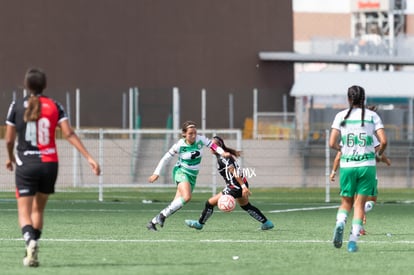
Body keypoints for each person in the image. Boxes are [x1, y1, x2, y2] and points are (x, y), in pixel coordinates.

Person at [5, 68, 101, 267]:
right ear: (44, 85)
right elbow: (69, 134)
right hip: (49, 165)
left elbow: (8, 139)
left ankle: (29, 240)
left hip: (26, 164)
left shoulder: (16, 105)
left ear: (26, 85)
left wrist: (10, 157)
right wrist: (89, 157)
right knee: (38, 210)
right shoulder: (55, 105)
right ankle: (34, 247)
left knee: (24, 212)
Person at [329, 85, 387, 253]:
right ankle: (353, 241)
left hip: (347, 165)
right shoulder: (372, 116)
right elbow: (383, 141)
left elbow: (332, 143)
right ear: (364, 99)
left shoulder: (340, 116)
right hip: (367, 166)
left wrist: (343, 150)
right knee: (359, 205)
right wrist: (379, 154)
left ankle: (340, 223)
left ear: (348, 99)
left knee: (346, 203)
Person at [146, 121, 230, 231]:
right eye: (190, 133)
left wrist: (222, 152)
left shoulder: (201, 139)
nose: (194, 135)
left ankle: (152, 222)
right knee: (187, 197)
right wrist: (156, 173)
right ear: (184, 134)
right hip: (181, 172)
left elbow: (213, 146)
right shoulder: (180, 144)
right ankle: (161, 216)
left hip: (192, 176)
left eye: (195, 133)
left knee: (177, 203)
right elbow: (166, 158)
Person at [185, 136, 274, 231]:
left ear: (219, 146)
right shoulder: (224, 156)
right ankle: (266, 223)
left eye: (213, 145)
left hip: (235, 187)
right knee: (246, 206)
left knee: (209, 203)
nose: (211, 147)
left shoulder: (222, 157)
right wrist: (243, 185)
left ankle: (199, 224)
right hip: (240, 184)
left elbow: (233, 170)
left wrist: (243, 187)